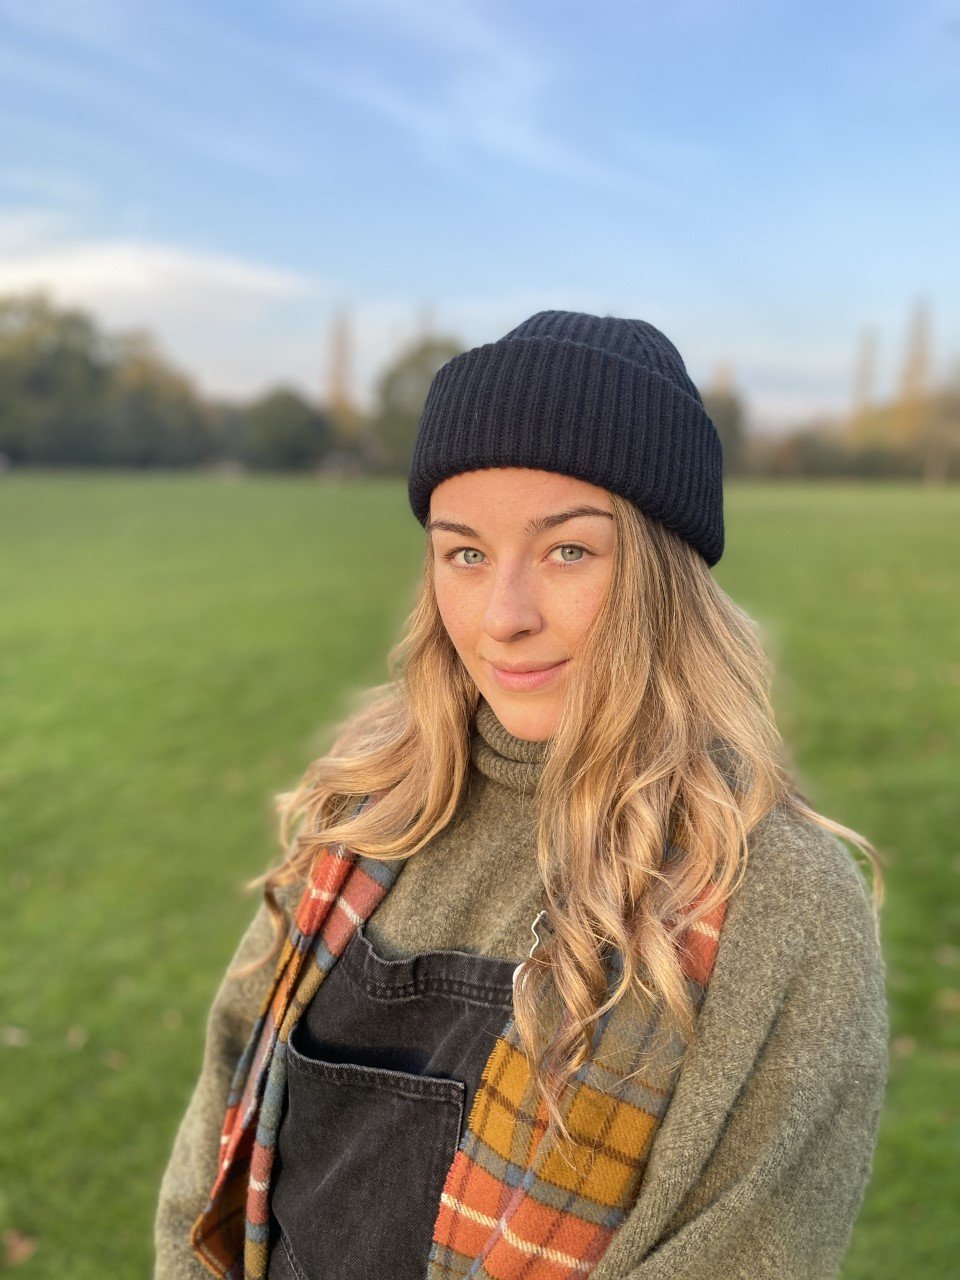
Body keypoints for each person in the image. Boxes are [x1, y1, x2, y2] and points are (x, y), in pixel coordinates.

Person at [155, 311, 888, 1280]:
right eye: (464, 552)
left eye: (568, 551)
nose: (504, 616)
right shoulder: (361, 816)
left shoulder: (781, 903)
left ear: (664, 578)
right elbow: (210, 1157)